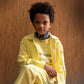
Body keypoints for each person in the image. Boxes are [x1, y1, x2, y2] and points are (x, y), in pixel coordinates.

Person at [14, 2, 66, 84]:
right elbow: (22, 60)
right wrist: (44, 66)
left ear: (50, 24)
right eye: (37, 22)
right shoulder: (26, 40)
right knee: (28, 69)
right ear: (33, 24)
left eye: (45, 22)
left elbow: (61, 69)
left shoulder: (56, 43)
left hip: (50, 78)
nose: (41, 26)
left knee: (27, 70)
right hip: (32, 74)